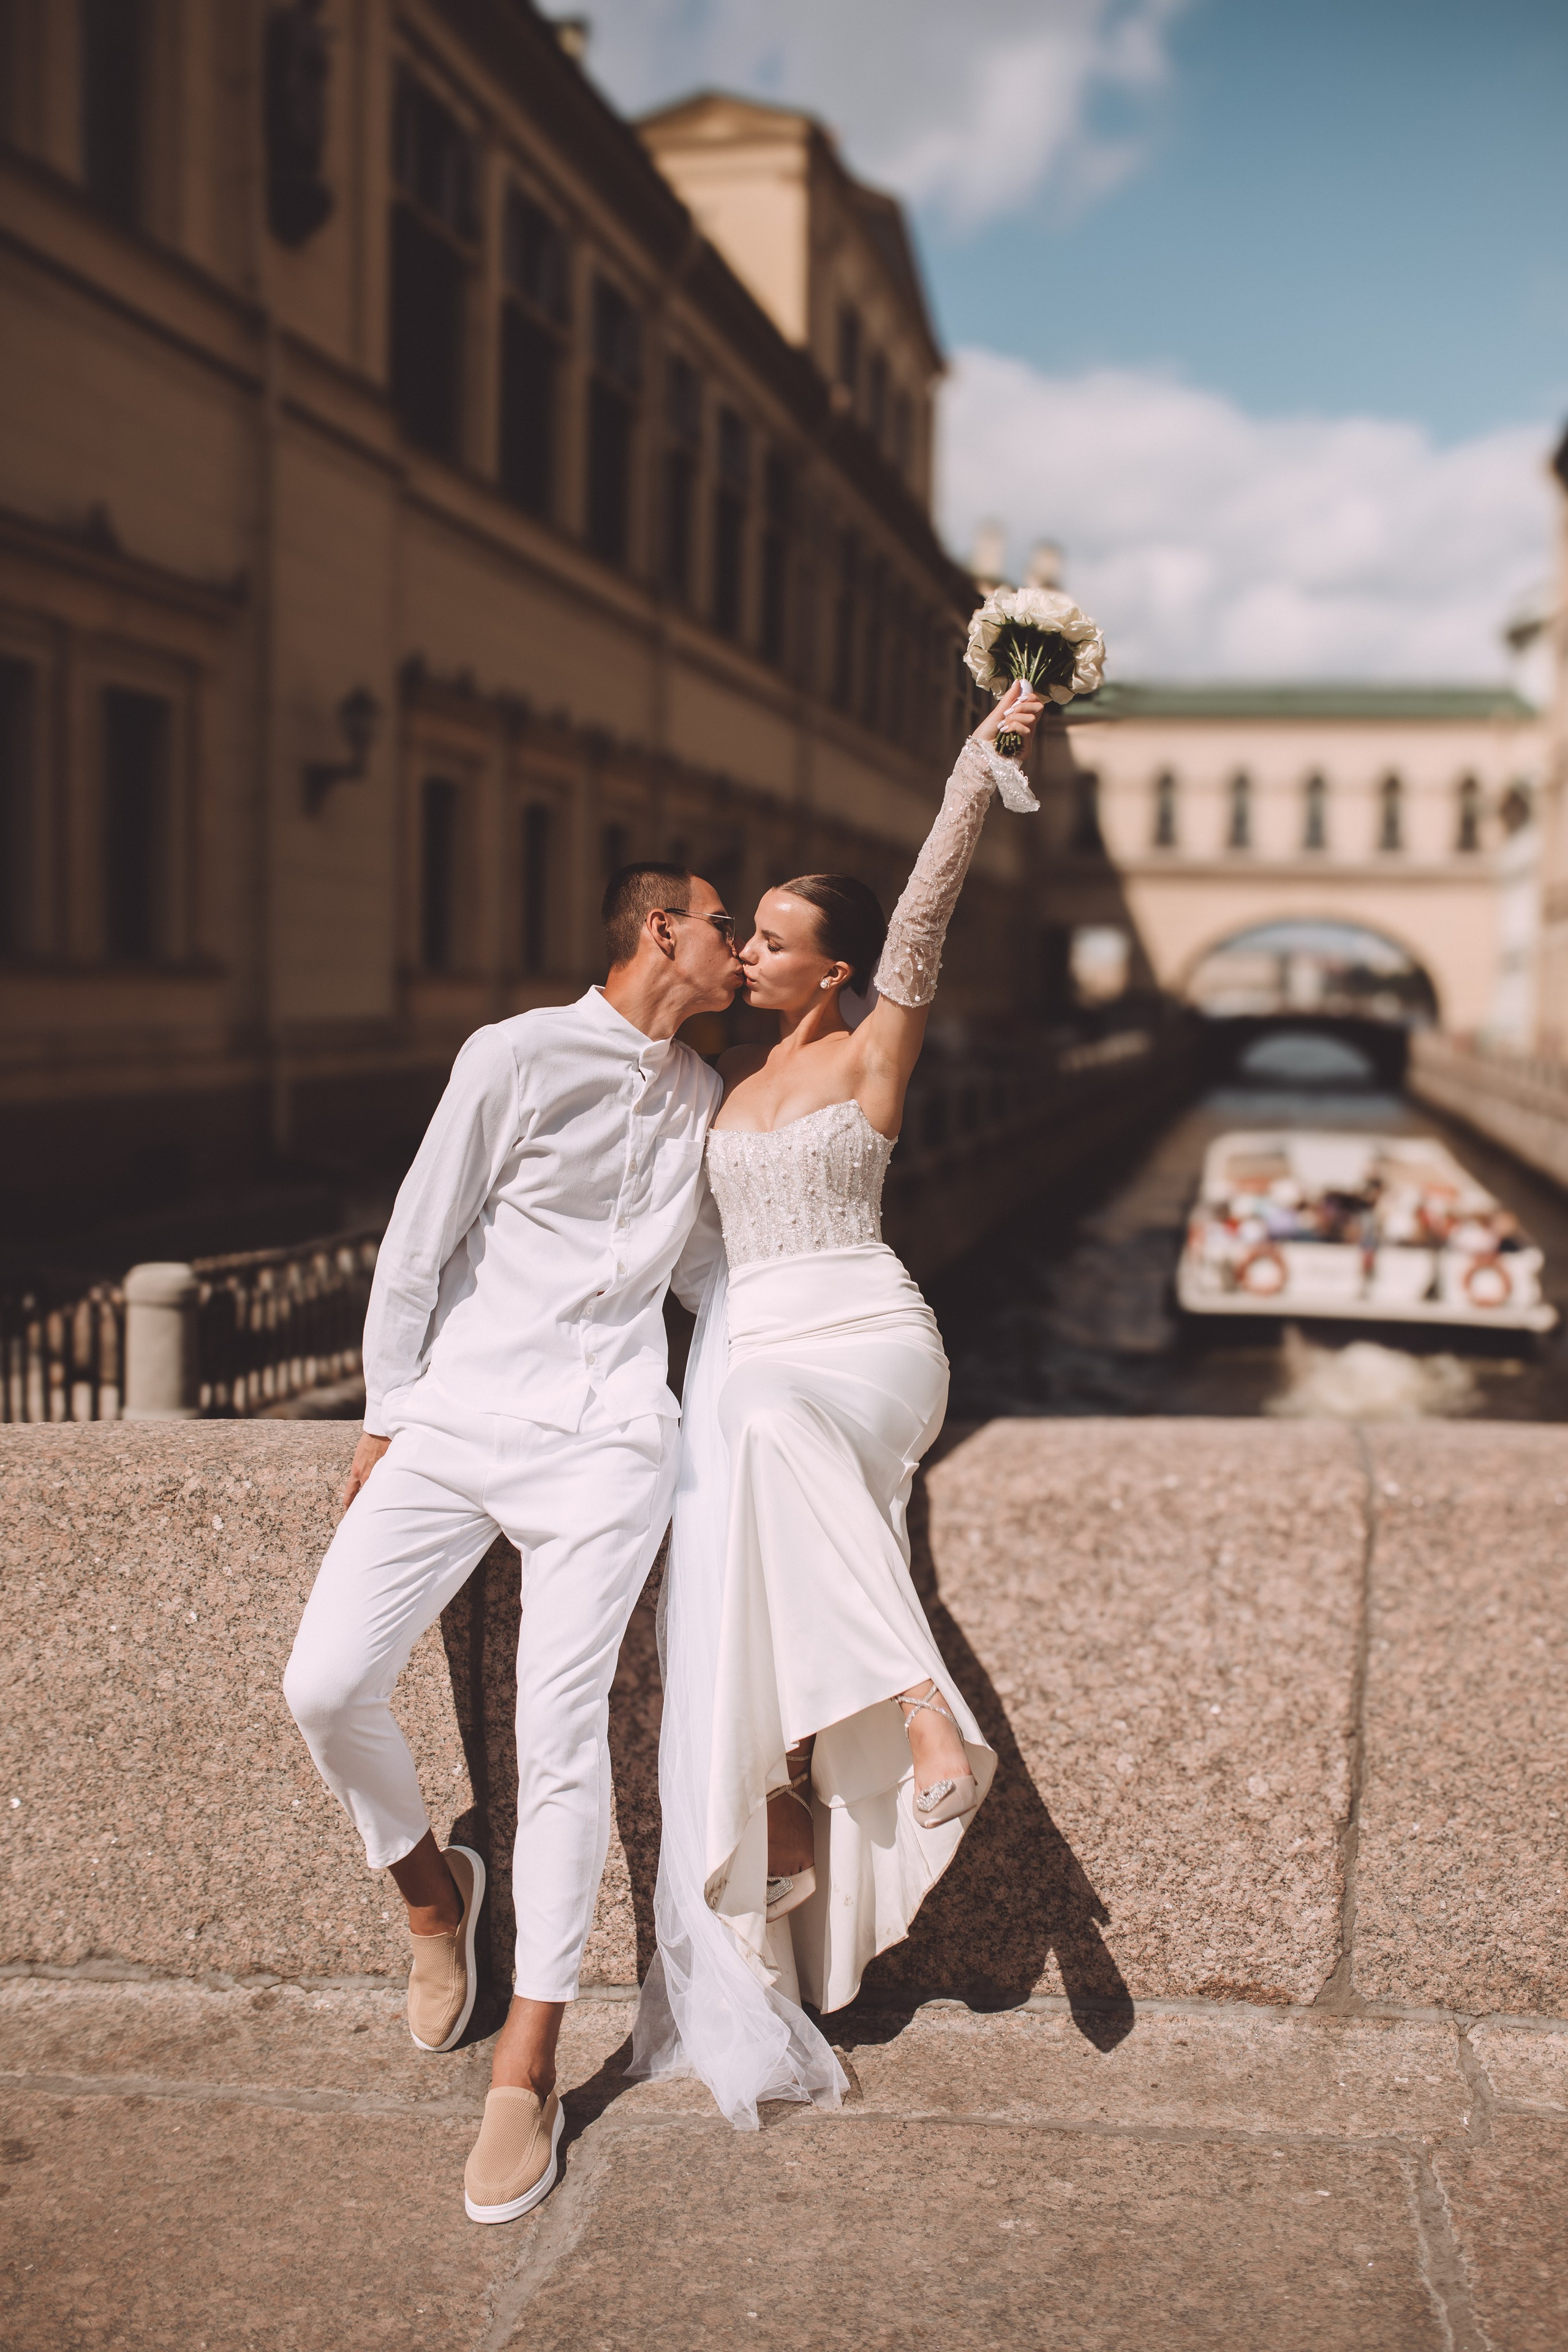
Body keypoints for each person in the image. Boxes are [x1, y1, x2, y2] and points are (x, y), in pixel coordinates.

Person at [283, 862, 741, 2221]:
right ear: (662, 929)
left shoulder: (707, 1096)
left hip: (609, 1441)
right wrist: (382, 1417)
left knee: (562, 1741)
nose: (740, 949)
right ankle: (435, 1896)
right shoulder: (516, 1053)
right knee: (322, 1683)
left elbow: (714, 1276)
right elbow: (418, 1242)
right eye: (727, 926)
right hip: (459, 1418)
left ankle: (527, 2066)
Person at [631, 681, 1046, 2127]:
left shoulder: (873, 1049)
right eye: (741, 930)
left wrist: (973, 768)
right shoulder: (724, 1081)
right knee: (745, 1436)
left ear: (832, 970)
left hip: (866, 1335)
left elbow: (925, 913)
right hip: (760, 1351)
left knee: (766, 1429)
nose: (742, 948)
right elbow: (675, 1252)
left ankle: (918, 1724)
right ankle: (800, 1781)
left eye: (768, 937)